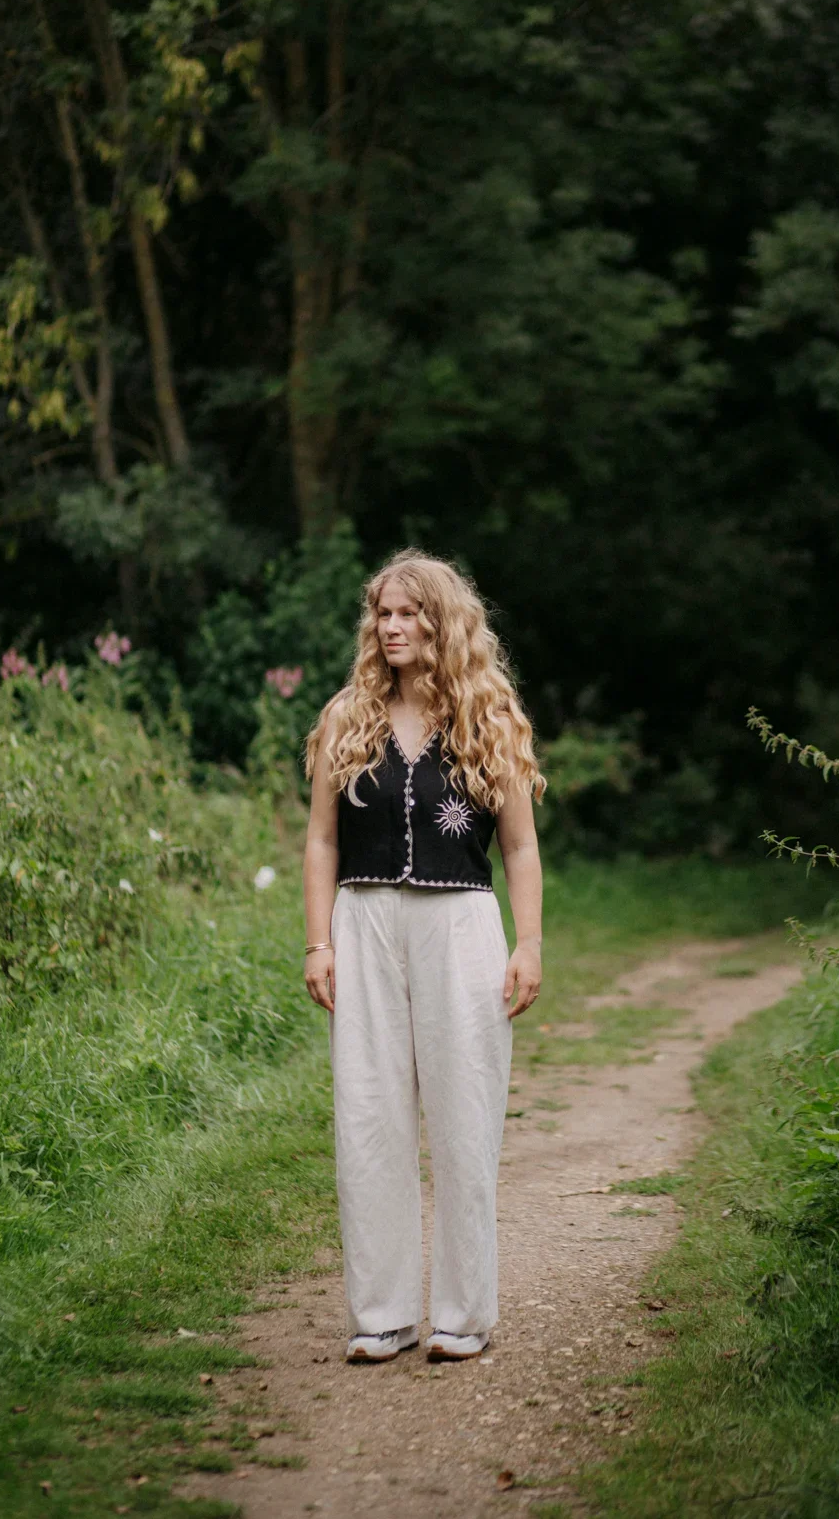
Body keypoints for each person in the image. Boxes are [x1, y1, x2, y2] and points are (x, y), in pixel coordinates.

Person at [302, 550, 545, 1364]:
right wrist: (318, 942)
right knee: (369, 1115)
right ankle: (383, 1314)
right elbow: (321, 840)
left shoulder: (488, 718)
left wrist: (529, 944)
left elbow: (520, 848)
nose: (391, 626)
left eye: (408, 613)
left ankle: (464, 1314)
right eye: (383, 612)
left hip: (460, 927)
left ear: (442, 622)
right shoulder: (348, 717)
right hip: (363, 922)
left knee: (464, 1115)